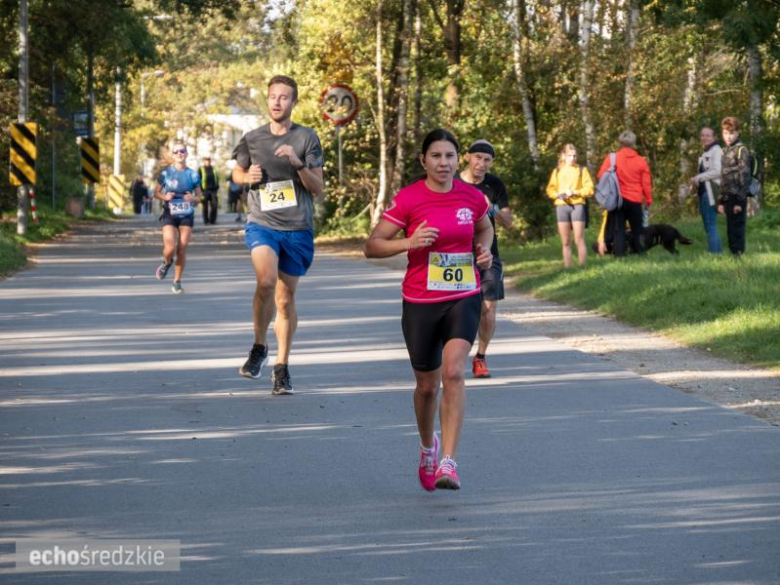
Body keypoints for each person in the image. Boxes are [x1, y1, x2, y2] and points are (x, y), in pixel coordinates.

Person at [364, 129, 494, 492]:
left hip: (462, 295)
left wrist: (483, 252)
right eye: (435, 156)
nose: (443, 163)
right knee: (426, 387)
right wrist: (409, 241)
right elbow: (372, 246)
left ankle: (449, 462)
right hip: (420, 301)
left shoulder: (472, 196)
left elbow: (485, 230)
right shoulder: (409, 199)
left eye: (450, 156)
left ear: (459, 160)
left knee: (453, 372)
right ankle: (427, 447)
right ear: (423, 161)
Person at [231, 75, 324, 395]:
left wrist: (298, 164)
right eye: (272, 96)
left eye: (284, 97)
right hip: (262, 222)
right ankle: (259, 346)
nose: (277, 102)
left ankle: (281, 367)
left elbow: (318, 188)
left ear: (293, 102)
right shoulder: (252, 138)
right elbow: (236, 171)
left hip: (297, 228)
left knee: (285, 300)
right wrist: (246, 177)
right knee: (266, 281)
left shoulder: (307, 138)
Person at [456, 139, 513, 379]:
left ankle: (480, 357)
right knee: (457, 309)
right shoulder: (453, 181)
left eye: (487, 159)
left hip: (488, 251)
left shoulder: (494, 185)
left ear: (491, 163)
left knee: (488, 309)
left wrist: (494, 209)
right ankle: (451, 356)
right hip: (455, 253)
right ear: (467, 157)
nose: (481, 163)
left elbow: (509, 223)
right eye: (477, 157)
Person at [153, 143, 202, 294]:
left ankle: (177, 282)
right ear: (173, 155)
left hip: (186, 215)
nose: (180, 153)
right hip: (170, 213)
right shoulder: (166, 173)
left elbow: (199, 197)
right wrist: (165, 196)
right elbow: (156, 193)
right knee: (170, 247)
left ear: (186, 154)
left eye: (183, 151)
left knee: (182, 248)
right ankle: (167, 262)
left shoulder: (193, 174)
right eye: (177, 151)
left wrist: (192, 198)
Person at [597, 130, 652, 257]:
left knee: (619, 230)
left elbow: (600, 175)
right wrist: (648, 200)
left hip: (617, 200)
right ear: (634, 143)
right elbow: (646, 183)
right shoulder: (640, 161)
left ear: (620, 143)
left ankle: (620, 256)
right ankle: (641, 254)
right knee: (637, 229)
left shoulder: (612, 158)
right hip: (635, 200)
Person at [546, 144, 594, 267]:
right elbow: (550, 190)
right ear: (564, 156)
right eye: (569, 156)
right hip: (562, 206)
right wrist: (558, 194)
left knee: (578, 238)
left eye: (574, 156)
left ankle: (582, 266)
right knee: (566, 241)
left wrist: (576, 192)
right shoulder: (557, 171)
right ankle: (568, 268)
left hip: (577, 205)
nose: (572, 158)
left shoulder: (582, 170)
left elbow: (589, 189)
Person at [717, 116, 751, 257]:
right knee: (730, 228)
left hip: (738, 196)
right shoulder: (724, 151)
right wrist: (720, 200)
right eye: (725, 133)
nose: (728, 136)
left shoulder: (741, 150)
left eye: (731, 133)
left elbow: (745, 176)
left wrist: (739, 201)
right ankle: (733, 255)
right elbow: (722, 178)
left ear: (738, 132)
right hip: (727, 196)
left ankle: (738, 256)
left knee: (737, 227)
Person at [689, 127, 723, 254]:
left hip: (711, 193)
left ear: (714, 137)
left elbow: (717, 171)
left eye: (708, 135)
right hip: (705, 192)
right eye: (702, 135)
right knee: (710, 226)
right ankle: (718, 253)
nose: (705, 137)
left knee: (710, 226)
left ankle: (714, 255)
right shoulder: (707, 151)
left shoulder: (716, 150)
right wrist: (696, 180)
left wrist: (699, 177)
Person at [199, 156, 220, 225]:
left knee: (214, 205)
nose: (207, 162)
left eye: (208, 160)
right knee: (205, 206)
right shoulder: (201, 169)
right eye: (206, 160)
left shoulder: (213, 168)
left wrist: (217, 186)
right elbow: (198, 180)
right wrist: (200, 190)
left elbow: (216, 178)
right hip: (205, 190)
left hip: (213, 190)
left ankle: (212, 220)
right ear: (204, 161)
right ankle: (206, 220)